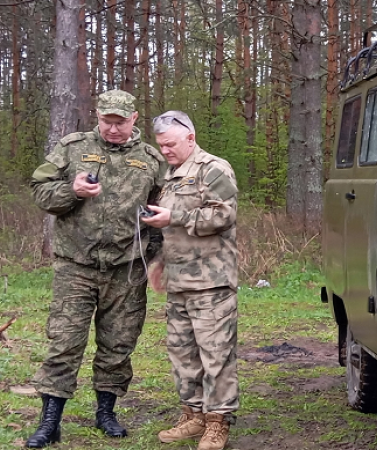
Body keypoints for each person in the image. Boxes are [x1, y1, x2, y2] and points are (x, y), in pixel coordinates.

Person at [26, 89, 166, 448]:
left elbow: (162, 207)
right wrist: (71, 191)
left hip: (126, 268)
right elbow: (40, 189)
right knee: (65, 341)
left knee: (118, 344)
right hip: (77, 265)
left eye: (120, 122)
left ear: (134, 118)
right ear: (98, 117)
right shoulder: (72, 147)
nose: (113, 128)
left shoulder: (150, 158)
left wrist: (155, 256)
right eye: (107, 121)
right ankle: (50, 420)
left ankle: (106, 412)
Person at [141, 110, 239, 450]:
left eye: (170, 144)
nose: (165, 150)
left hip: (211, 282)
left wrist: (176, 216)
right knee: (183, 354)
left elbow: (224, 214)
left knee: (216, 355)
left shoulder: (213, 168)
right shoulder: (170, 175)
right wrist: (159, 262)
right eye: (161, 145)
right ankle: (193, 416)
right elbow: (167, 229)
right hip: (179, 281)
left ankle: (218, 422)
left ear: (190, 138)